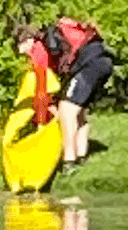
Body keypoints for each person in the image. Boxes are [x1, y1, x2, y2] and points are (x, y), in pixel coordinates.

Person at [15, 19, 114, 173]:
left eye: (20, 46)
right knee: (78, 111)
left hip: (89, 64)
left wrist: (41, 122)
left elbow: (42, 90)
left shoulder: (38, 50)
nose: (22, 52)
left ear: (29, 40)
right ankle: (81, 157)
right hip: (102, 62)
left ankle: (69, 162)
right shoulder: (50, 43)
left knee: (67, 110)